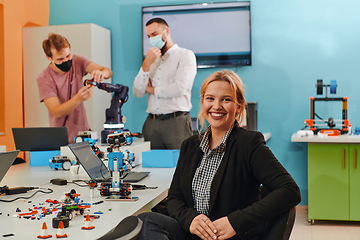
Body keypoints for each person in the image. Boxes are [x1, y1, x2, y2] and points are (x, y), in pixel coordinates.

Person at [135, 70, 301, 240]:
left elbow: (290, 190)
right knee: (145, 220)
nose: (216, 106)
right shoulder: (190, 145)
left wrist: (234, 223)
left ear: (239, 106)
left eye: (226, 99)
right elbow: (175, 198)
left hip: (229, 237)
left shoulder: (249, 143)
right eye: (210, 98)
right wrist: (191, 219)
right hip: (194, 234)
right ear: (202, 102)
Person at [133, 18, 197, 149]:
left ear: (166, 31)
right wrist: (146, 64)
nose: (151, 39)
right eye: (149, 36)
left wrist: (151, 90)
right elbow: (138, 92)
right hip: (152, 122)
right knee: (152, 165)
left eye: (154, 34)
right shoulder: (151, 60)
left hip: (177, 122)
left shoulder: (185, 55)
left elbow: (179, 88)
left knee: (183, 164)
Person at [36, 33, 113, 143]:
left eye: (68, 56)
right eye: (60, 59)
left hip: (84, 133)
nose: (66, 61)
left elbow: (108, 72)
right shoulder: (44, 77)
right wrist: (78, 98)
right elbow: (57, 112)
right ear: (49, 58)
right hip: (62, 139)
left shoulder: (78, 61)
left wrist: (100, 73)